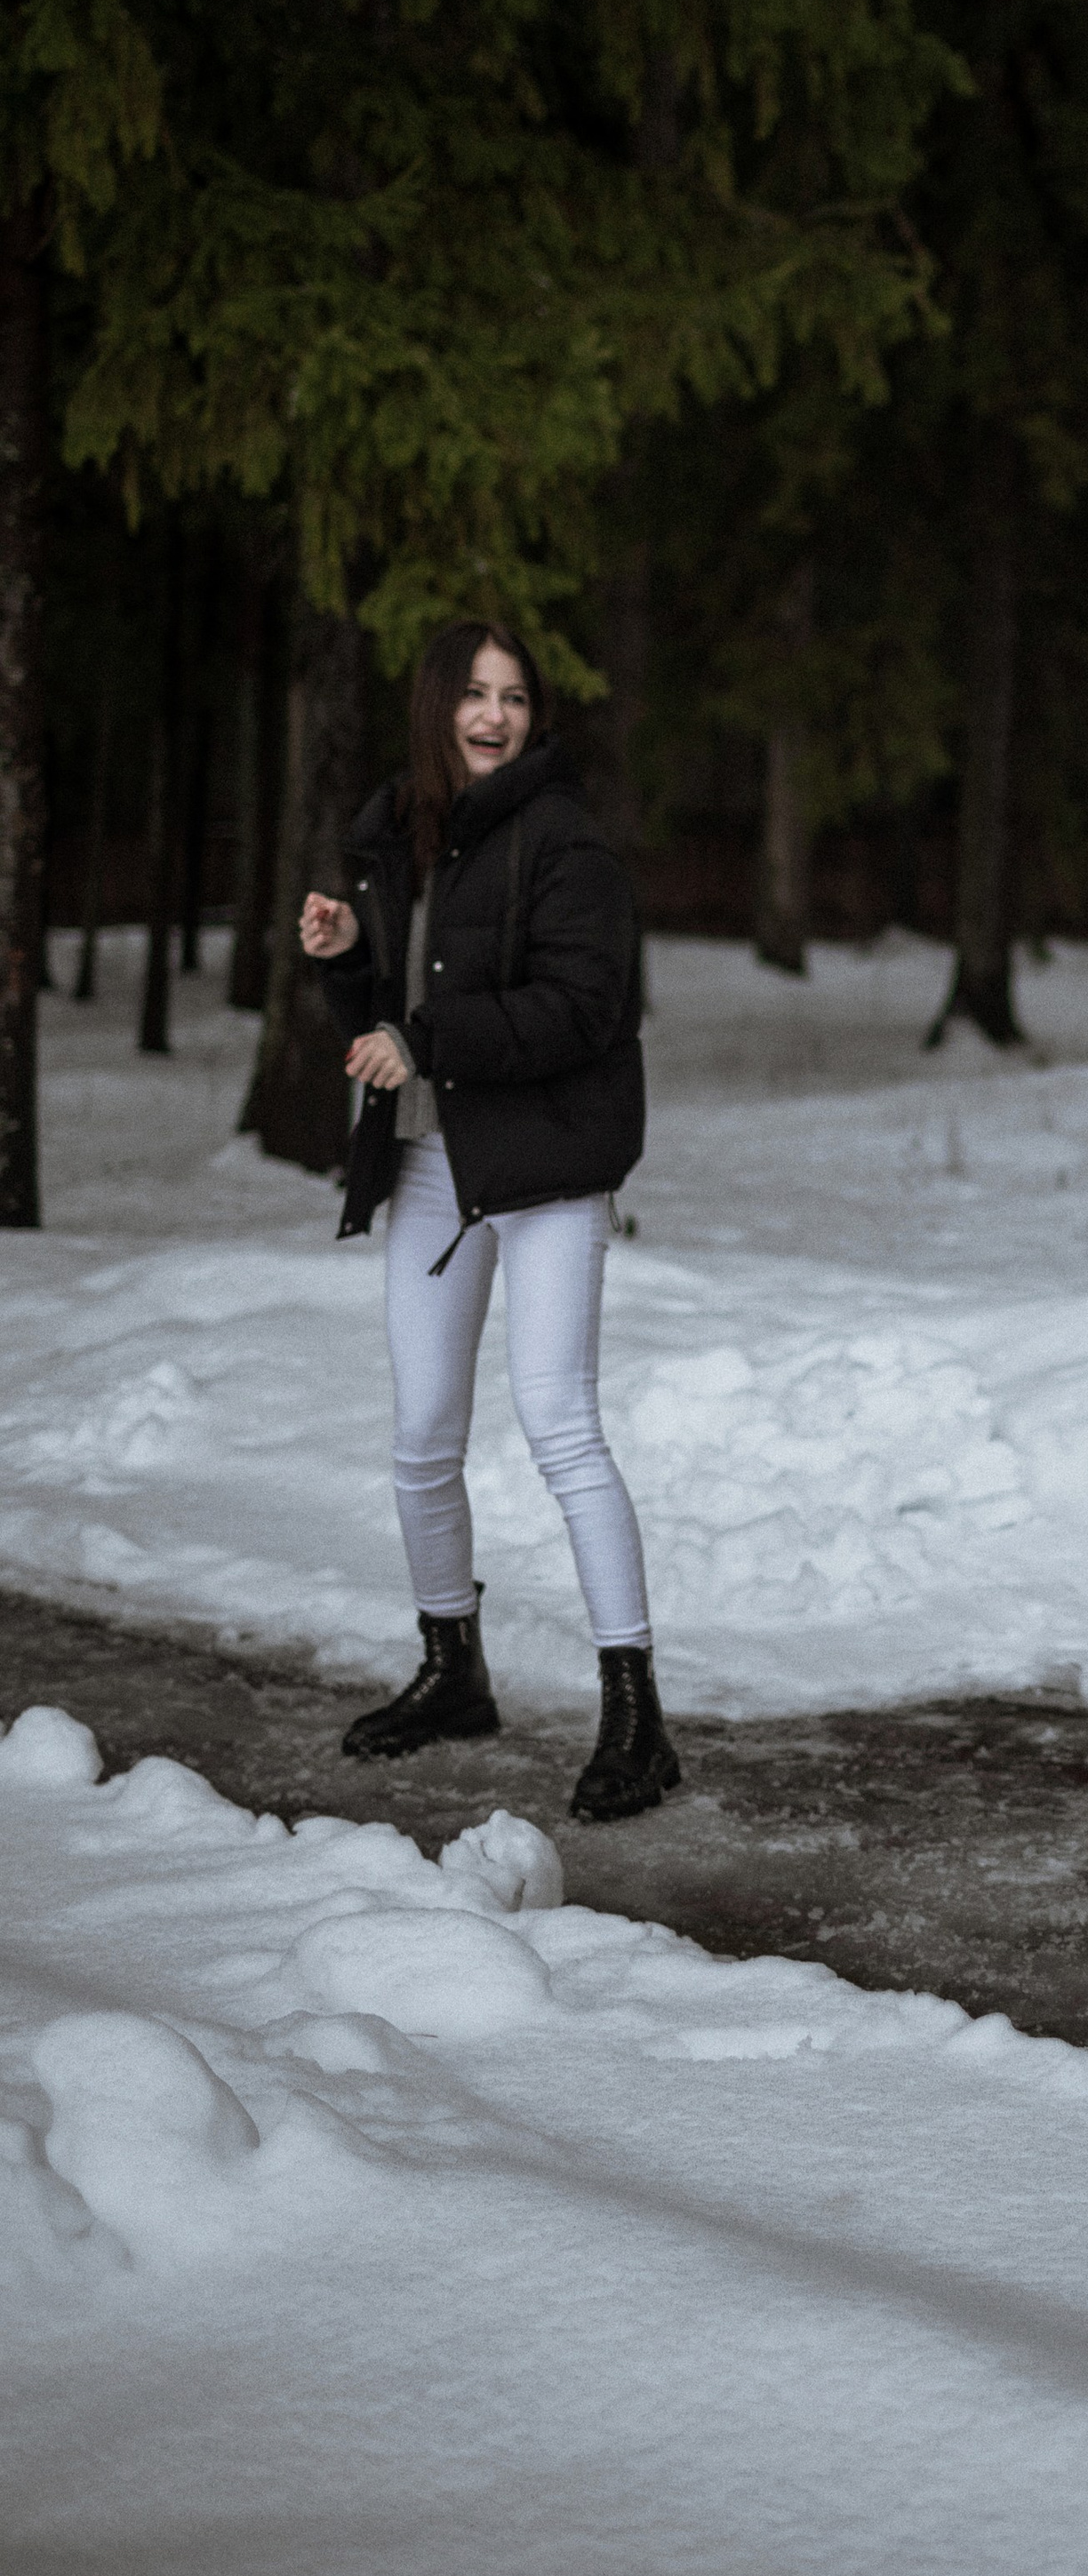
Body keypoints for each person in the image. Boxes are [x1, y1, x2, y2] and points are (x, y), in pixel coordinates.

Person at [300, 620, 679, 1824]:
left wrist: (423, 1035)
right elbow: (392, 1009)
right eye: (474, 692)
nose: (495, 715)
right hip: (427, 1162)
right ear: (436, 704)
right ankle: (453, 1669)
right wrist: (349, 960)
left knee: (561, 1423)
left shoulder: (565, 841)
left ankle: (637, 1714)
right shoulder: (391, 835)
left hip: (550, 1163)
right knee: (420, 1435)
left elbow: (581, 1007)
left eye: (515, 696)